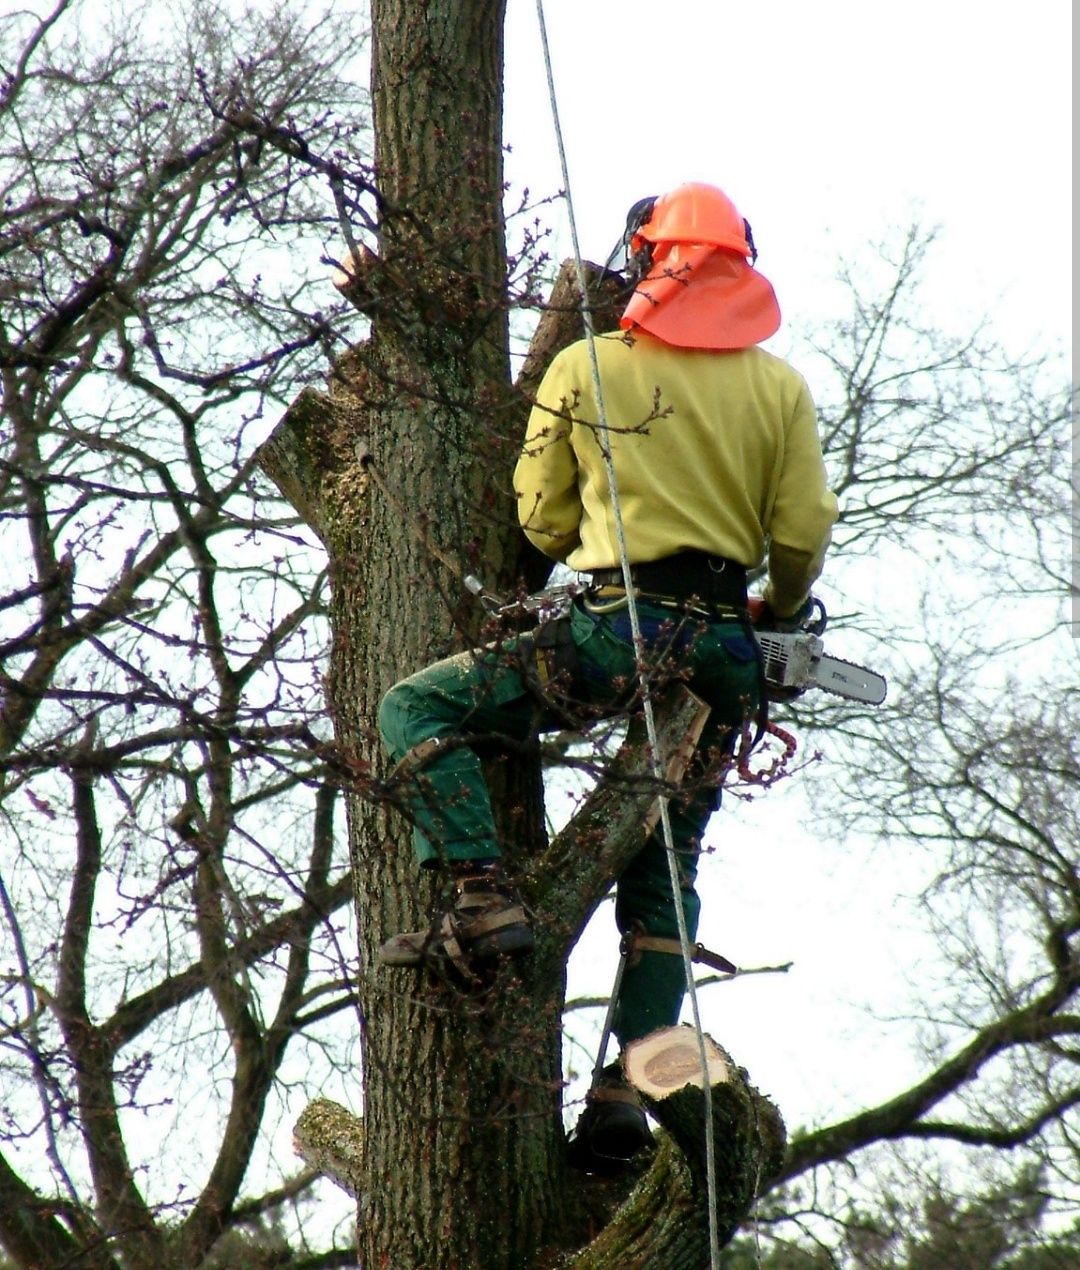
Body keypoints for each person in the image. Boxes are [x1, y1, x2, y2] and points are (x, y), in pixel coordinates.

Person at [376, 181, 838, 1166]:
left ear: (641, 259)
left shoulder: (589, 365)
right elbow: (802, 536)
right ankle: (627, 1092)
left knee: (415, 704)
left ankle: (482, 892)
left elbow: (541, 519)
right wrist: (782, 616)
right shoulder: (780, 388)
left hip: (613, 630)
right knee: (667, 873)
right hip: (724, 648)